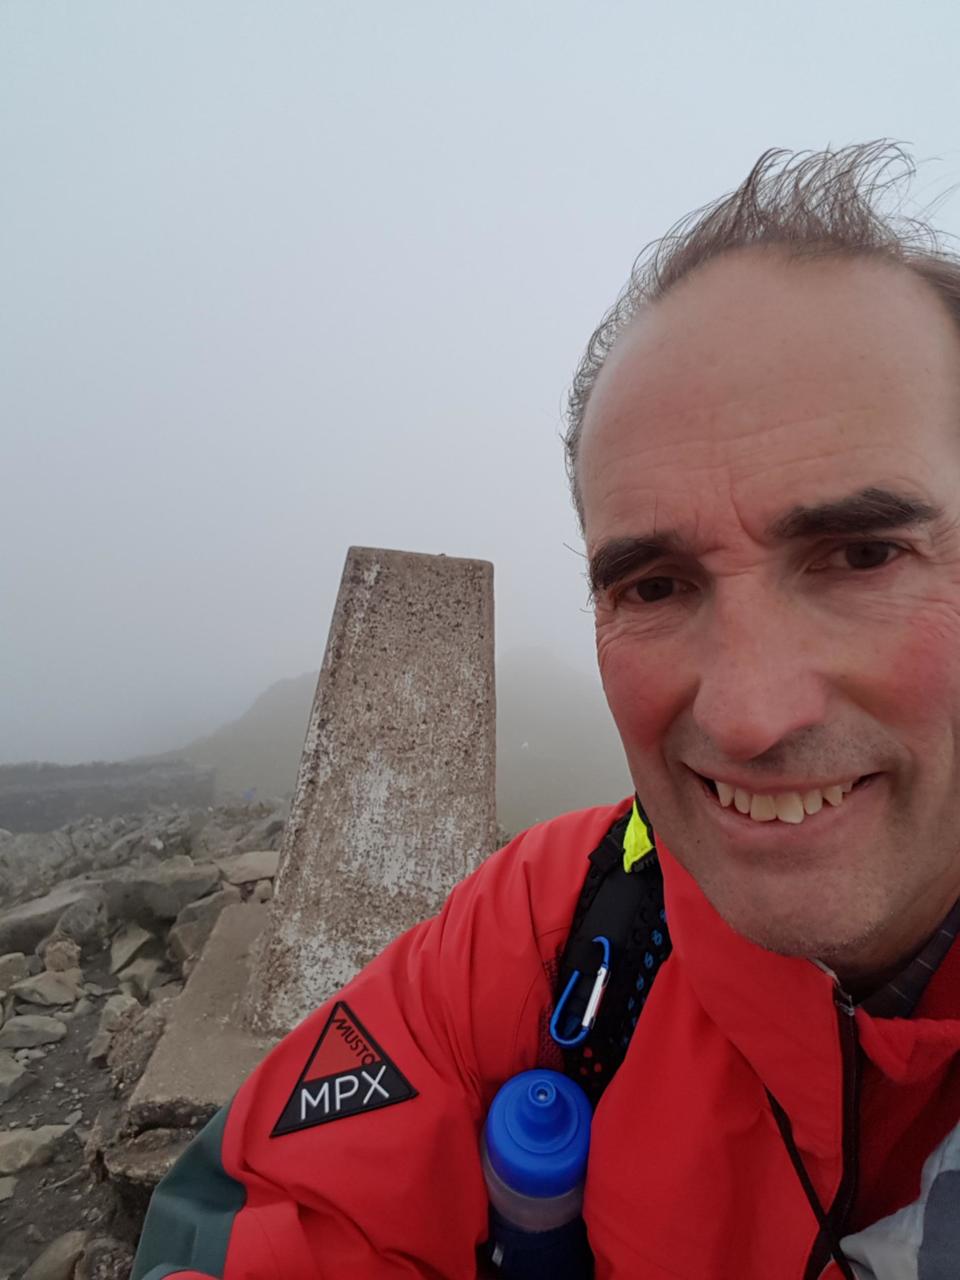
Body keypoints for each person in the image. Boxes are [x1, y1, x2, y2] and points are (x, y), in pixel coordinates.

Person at [131, 141, 960, 1280]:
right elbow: (267, 1227)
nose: (752, 713)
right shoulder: (559, 917)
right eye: (655, 585)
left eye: (863, 553)